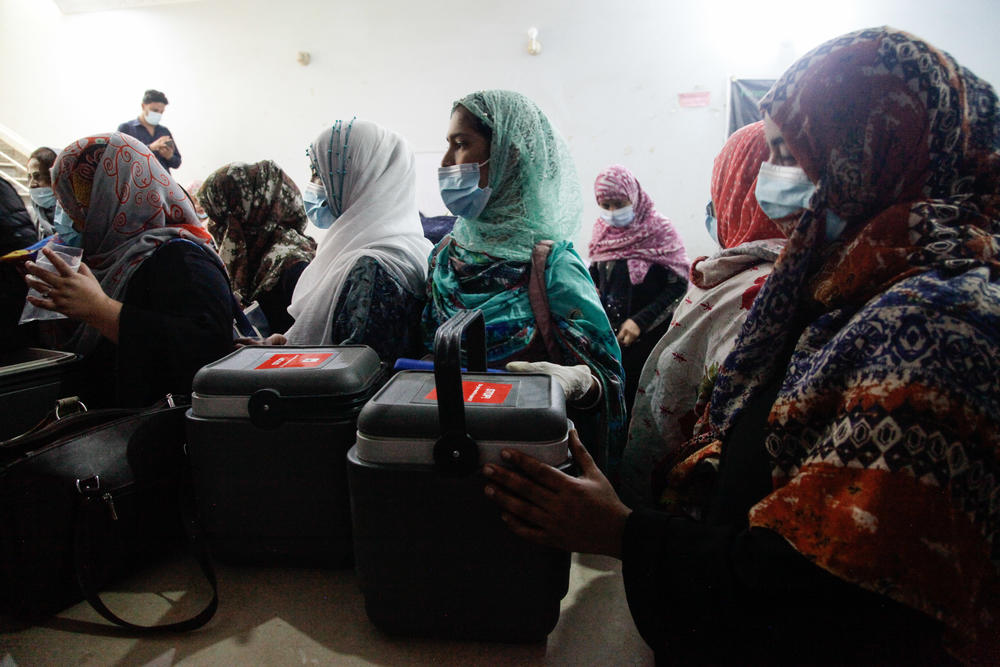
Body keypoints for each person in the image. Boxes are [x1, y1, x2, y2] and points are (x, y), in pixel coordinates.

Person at [481, 27, 1000, 663]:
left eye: (789, 151)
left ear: (871, 146)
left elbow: (835, 597)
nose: (771, 177)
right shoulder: (845, 286)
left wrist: (624, 533)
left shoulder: (934, 326)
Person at [424, 90, 626, 474]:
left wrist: (583, 383)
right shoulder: (445, 256)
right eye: (447, 145)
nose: (447, 162)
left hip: (529, 473)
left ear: (509, 156)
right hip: (441, 462)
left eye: (462, 144)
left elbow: (609, 384)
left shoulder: (552, 266)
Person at [621, 121, 786, 509]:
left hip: (691, 518)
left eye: (719, 195)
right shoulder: (724, 276)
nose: (713, 212)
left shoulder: (757, 294)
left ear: (740, 192)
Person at [23, 133, 234, 409]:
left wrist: (103, 310)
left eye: (77, 198)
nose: (68, 212)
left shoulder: (182, 256)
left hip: (164, 435)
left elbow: (208, 350)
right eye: (64, 199)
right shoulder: (103, 259)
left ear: (111, 194)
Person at [283, 119, 432, 366]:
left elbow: (349, 371)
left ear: (358, 177)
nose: (313, 185)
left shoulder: (370, 267)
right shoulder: (413, 246)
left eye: (319, 174)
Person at [588, 165, 689, 415]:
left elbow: (678, 287)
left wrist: (640, 322)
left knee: (640, 405)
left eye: (619, 203)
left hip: (648, 340)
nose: (612, 212)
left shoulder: (660, 230)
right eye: (606, 205)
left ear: (634, 197)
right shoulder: (602, 232)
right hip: (611, 340)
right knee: (610, 403)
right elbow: (597, 277)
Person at [198, 160, 316, 335]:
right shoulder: (253, 260)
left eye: (219, 218)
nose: (212, 227)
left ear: (246, 214)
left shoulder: (293, 265)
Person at [117, 89, 181, 172]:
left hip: (163, 182)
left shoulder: (164, 131)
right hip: (137, 181)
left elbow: (177, 163)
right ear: (143, 106)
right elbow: (119, 158)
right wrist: (151, 148)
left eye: (161, 112)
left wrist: (169, 156)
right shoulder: (126, 129)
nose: (158, 114)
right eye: (155, 110)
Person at [26, 146, 57, 237]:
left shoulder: (74, 219)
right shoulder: (31, 217)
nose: (31, 184)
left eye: (37, 176)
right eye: (29, 177)